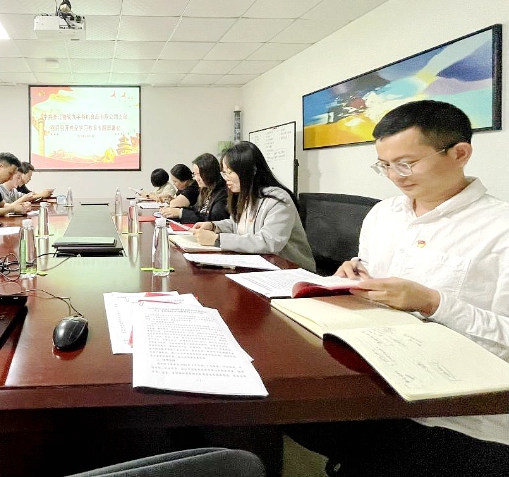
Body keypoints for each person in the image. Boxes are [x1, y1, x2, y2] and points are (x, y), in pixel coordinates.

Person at [287, 100, 509, 476]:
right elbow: (373, 272)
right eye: (385, 165)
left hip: (460, 413)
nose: (394, 176)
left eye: (406, 164)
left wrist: (433, 302)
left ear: (460, 153)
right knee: (287, 413)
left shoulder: (499, 228)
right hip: (376, 380)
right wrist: (353, 274)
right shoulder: (384, 214)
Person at [192, 142, 314, 271]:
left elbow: (269, 242)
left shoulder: (278, 199)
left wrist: (218, 239)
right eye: (224, 173)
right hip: (261, 266)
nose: (226, 178)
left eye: (230, 172)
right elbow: (237, 225)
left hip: (292, 270)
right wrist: (213, 226)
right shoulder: (246, 196)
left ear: (252, 171)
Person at [160, 153, 229, 223]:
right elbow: (196, 209)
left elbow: (215, 218)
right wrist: (175, 211)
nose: (196, 178)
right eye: (195, 174)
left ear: (210, 173)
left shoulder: (223, 192)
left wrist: (180, 213)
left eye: (199, 174)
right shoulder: (205, 189)